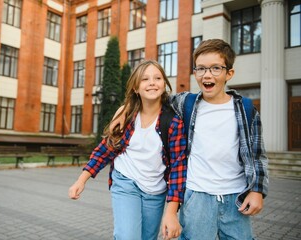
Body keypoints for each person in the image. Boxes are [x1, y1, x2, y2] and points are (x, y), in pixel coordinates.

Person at [110, 39, 269, 239]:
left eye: (216, 68)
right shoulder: (186, 103)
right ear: (195, 73)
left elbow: (257, 154)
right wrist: (125, 110)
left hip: (234, 197)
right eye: (201, 69)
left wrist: (257, 190)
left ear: (229, 73)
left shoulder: (245, 109)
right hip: (196, 196)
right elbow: (151, 98)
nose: (207, 74)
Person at [68, 60, 187, 240]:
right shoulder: (127, 116)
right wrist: (81, 180)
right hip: (126, 182)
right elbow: (106, 150)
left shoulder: (173, 122)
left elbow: (178, 168)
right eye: (145, 79)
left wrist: (171, 212)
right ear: (135, 88)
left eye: (157, 78)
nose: (152, 82)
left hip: (155, 191)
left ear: (164, 84)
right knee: (127, 236)